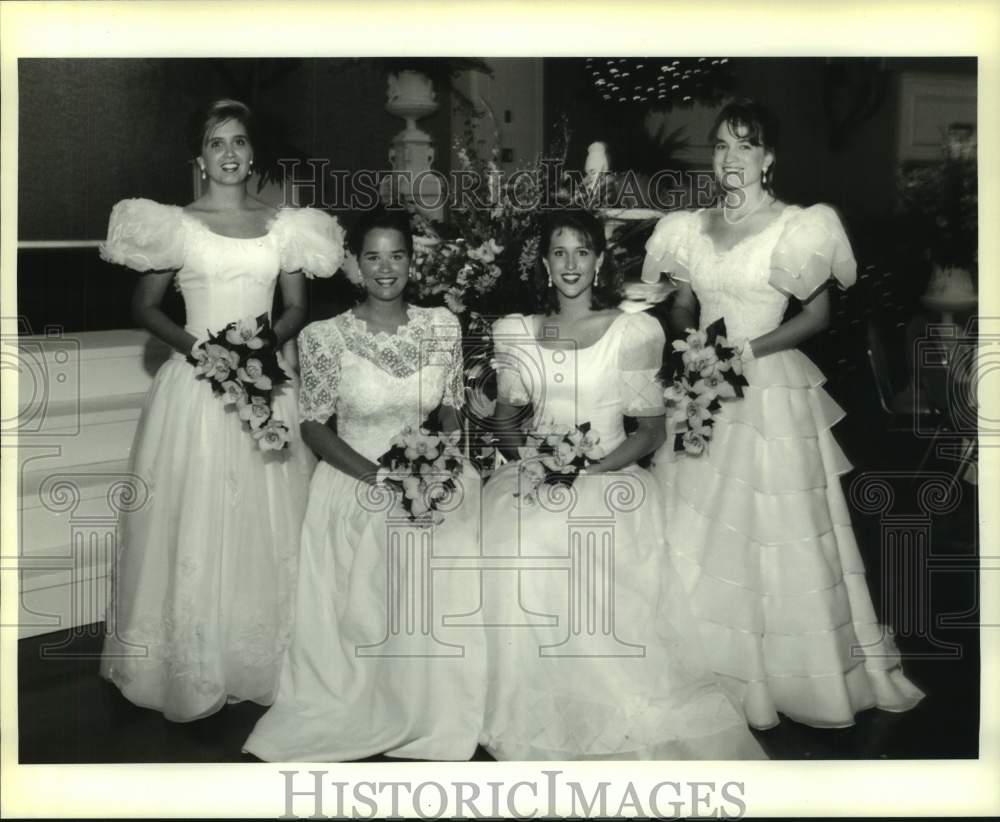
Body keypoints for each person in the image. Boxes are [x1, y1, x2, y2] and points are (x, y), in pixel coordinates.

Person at [641, 98, 925, 730]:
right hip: (704, 383)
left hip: (768, 387)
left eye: (745, 146)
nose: (731, 158)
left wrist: (746, 351)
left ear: (768, 159)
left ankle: (793, 673)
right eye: (721, 145)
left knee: (775, 532)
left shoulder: (800, 226)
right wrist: (698, 345)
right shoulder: (688, 227)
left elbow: (817, 316)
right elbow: (682, 303)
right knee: (694, 524)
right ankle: (704, 664)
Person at [478, 209, 766, 760]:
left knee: (575, 538)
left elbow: (651, 432)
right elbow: (506, 421)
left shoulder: (632, 330)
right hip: (538, 473)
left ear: (600, 260)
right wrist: (534, 461)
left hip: (608, 474)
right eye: (559, 252)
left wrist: (589, 470)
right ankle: (537, 700)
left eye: (582, 251)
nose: (570, 264)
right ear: (543, 262)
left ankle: (608, 699)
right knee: (518, 542)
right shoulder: (517, 331)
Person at [99, 99, 345, 722]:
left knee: (267, 523)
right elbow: (145, 308)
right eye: (216, 144)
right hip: (195, 387)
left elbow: (296, 306)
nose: (229, 154)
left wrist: (258, 349)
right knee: (196, 519)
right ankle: (189, 657)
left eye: (238, 142)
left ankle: (261, 654)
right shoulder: (174, 225)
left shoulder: (287, 226)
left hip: (264, 383)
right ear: (200, 159)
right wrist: (205, 351)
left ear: (252, 153)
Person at [243, 209, 485, 762]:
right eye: (372, 256)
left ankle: (442, 697)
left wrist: (438, 457)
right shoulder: (323, 338)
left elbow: (449, 408)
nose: (385, 268)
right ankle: (381, 697)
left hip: (431, 472)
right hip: (357, 475)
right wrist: (380, 477)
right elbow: (312, 424)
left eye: (396, 255)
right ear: (353, 264)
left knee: (454, 530)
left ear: (412, 261)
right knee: (390, 536)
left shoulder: (443, 325)